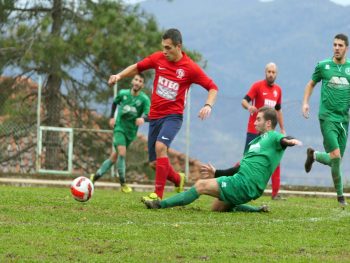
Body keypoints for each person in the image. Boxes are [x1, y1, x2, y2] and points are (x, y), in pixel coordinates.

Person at [108, 28, 218, 201]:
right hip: (155, 116)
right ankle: (177, 178)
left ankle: (157, 195)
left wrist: (208, 105)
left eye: (168, 48)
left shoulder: (189, 68)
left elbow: (212, 87)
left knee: (161, 147)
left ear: (178, 46)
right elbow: (137, 67)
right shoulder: (158, 58)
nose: (164, 51)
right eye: (163, 47)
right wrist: (119, 76)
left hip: (173, 116)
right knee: (154, 163)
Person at [143, 107, 302, 211]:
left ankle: (160, 204)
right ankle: (257, 210)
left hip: (244, 184)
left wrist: (290, 141)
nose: (254, 122)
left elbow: (284, 140)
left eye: (258, 119)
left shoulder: (273, 136)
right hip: (241, 181)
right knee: (217, 209)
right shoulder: (255, 142)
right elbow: (239, 167)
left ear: (268, 123)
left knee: (200, 185)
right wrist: (216, 172)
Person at [302, 33, 350, 207]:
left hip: (344, 121)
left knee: (335, 159)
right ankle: (341, 197)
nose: (336, 48)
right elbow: (311, 84)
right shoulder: (323, 66)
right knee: (336, 155)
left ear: (346, 48)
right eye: (334, 45)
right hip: (327, 117)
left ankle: (313, 156)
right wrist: (305, 103)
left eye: (340, 45)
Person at [91, 74, 150, 193]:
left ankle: (95, 176)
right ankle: (123, 183)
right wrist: (112, 117)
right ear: (132, 81)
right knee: (122, 153)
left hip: (131, 132)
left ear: (142, 85)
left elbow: (148, 114)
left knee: (114, 157)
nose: (137, 82)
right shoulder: (123, 93)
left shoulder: (144, 99)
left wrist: (143, 119)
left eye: (140, 81)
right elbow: (114, 103)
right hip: (119, 128)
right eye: (136, 79)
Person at [241, 62, 286, 200]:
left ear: (276, 74)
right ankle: (240, 184)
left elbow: (278, 110)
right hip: (254, 130)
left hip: (269, 133)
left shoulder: (278, 90)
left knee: (275, 159)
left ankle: (275, 193)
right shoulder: (257, 86)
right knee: (248, 159)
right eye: (269, 72)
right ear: (265, 72)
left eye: (273, 72)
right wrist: (249, 107)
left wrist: (282, 128)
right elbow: (244, 100)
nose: (271, 74)